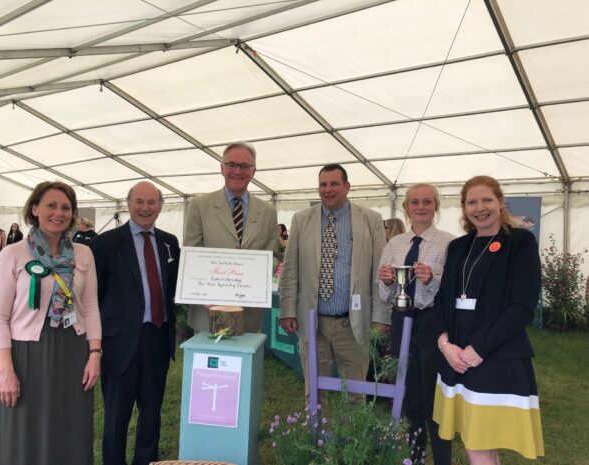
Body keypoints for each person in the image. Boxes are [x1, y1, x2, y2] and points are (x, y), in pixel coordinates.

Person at [0, 181, 102, 465]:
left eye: (65, 207)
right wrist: (5, 371)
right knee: (24, 431)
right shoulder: (11, 255)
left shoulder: (84, 254)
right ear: (35, 208)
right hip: (26, 356)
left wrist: (95, 354)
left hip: (73, 353)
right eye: (51, 205)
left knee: (69, 429)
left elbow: (90, 307)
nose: (59, 213)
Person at [432, 176, 544, 463]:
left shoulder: (519, 241)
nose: (479, 208)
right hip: (457, 356)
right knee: (475, 440)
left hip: (495, 354)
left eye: (486, 200)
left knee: (480, 440)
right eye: (472, 202)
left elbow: (523, 307)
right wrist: (445, 345)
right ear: (464, 208)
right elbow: (442, 300)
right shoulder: (458, 247)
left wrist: (478, 349)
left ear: (500, 202)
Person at [279, 164, 387, 401]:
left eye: (334, 184)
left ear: (347, 187)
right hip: (313, 322)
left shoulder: (371, 219)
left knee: (356, 391)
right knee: (315, 391)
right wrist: (287, 310)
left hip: (353, 322)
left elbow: (380, 273)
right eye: (323, 184)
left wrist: (380, 316)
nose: (328, 190)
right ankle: (317, 436)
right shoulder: (301, 220)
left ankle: (351, 439)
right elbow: (290, 270)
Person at [91, 181, 180, 465]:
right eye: (139, 202)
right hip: (119, 341)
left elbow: (176, 286)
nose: (145, 208)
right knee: (116, 416)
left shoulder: (169, 242)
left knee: (152, 412)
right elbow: (95, 294)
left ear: (160, 207)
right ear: (128, 205)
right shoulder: (105, 243)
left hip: (158, 335)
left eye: (151, 202)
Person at [378, 184, 455, 465]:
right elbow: (383, 292)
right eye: (414, 202)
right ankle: (415, 457)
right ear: (406, 208)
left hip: (432, 323)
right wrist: (386, 281)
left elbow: (455, 288)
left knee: (434, 396)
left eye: (426, 202)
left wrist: (433, 277)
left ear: (436, 206)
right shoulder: (395, 244)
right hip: (401, 323)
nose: (420, 207)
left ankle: (443, 458)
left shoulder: (449, 242)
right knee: (409, 393)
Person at [184, 141, 277, 333]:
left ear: (253, 171)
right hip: (208, 312)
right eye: (232, 165)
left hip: (248, 314)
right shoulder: (199, 206)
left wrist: (255, 274)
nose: (238, 171)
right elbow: (191, 255)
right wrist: (205, 290)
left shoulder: (267, 212)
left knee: (245, 362)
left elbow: (272, 257)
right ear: (221, 168)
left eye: (245, 166)